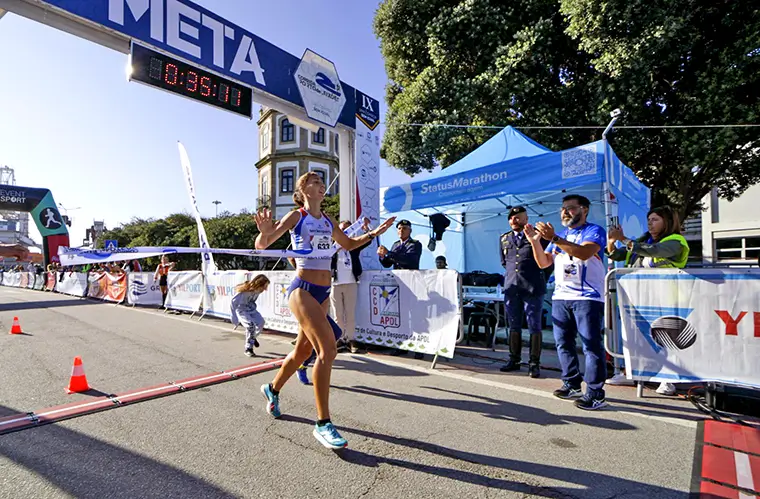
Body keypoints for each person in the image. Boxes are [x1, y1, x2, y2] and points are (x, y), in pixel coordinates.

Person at [253, 171, 395, 449]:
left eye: (321, 183)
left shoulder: (328, 220)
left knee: (303, 351)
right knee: (327, 350)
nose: (321, 186)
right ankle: (323, 423)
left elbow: (349, 244)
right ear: (303, 188)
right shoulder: (297, 217)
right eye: (315, 182)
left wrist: (373, 234)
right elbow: (263, 245)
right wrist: (264, 232)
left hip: (323, 292)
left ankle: (272, 388)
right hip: (302, 290)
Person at [525, 194, 608, 411]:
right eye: (563, 209)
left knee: (591, 345)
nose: (565, 212)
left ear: (584, 210)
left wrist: (554, 239)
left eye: (570, 208)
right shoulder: (560, 235)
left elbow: (584, 253)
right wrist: (535, 242)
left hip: (587, 298)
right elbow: (544, 263)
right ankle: (571, 383)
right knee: (564, 343)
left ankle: (595, 392)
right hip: (561, 297)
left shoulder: (594, 231)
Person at [607, 205, 689, 396]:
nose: (650, 224)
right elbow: (617, 254)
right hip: (639, 297)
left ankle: (668, 379)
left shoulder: (676, 241)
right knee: (635, 338)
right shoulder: (643, 241)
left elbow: (654, 251)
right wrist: (612, 242)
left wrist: (624, 239)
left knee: (664, 339)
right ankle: (631, 372)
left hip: (666, 298)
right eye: (649, 220)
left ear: (667, 222)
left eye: (655, 220)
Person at [499, 206, 549, 378]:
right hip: (512, 288)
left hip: (532, 287)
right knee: (514, 324)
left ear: (526, 219)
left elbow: (547, 261)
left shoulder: (538, 236)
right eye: (511, 218)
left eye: (518, 217)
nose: (514, 220)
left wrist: (540, 278)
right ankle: (514, 359)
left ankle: (534, 363)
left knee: (534, 325)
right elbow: (505, 263)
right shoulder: (504, 238)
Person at [377, 219, 424, 358]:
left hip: (412, 283)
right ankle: (402, 344)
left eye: (404, 228)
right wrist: (382, 256)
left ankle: (418, 347)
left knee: (415, 315)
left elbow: (409, 260)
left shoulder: (415, 244)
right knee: (402, 315)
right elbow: (387, 263)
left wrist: (389, 253)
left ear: (410, 230)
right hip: (398, 284)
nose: (401, 231)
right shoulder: (396, 244)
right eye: (399, 228)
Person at [331, 219, 373, 354]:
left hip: (351, 282)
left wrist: (366, 228)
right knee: (337, 314)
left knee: (350, 313)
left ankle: (349, 339)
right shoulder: (332, 246)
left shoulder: (354, 246)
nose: (345, 232)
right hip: (335, 283)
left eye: (348, 230)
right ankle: (339, 339)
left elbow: (368, 240)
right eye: (342, 230)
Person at [231, 274, 271, 357]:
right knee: (251, 326)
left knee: (261, 323)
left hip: (251, 310)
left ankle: (252, 337)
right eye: (264, 286)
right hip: (242, 310)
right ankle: (248, 348)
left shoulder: (258, 291)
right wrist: (234, 316)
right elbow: (233, 302)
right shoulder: (245, 291)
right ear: (259, 284)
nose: (265, 289)